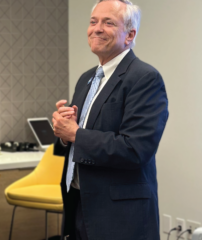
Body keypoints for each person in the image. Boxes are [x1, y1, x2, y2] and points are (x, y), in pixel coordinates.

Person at [52, 1, 168, 239]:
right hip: (79, 204)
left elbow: (135, 149)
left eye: (108, 23)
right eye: (93, 21)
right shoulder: (86, 79)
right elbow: (77, 142)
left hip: (119, 216)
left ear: (130, 35)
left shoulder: (145, 78)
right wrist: (63, 133)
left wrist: (75, 133)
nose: (97, 28)